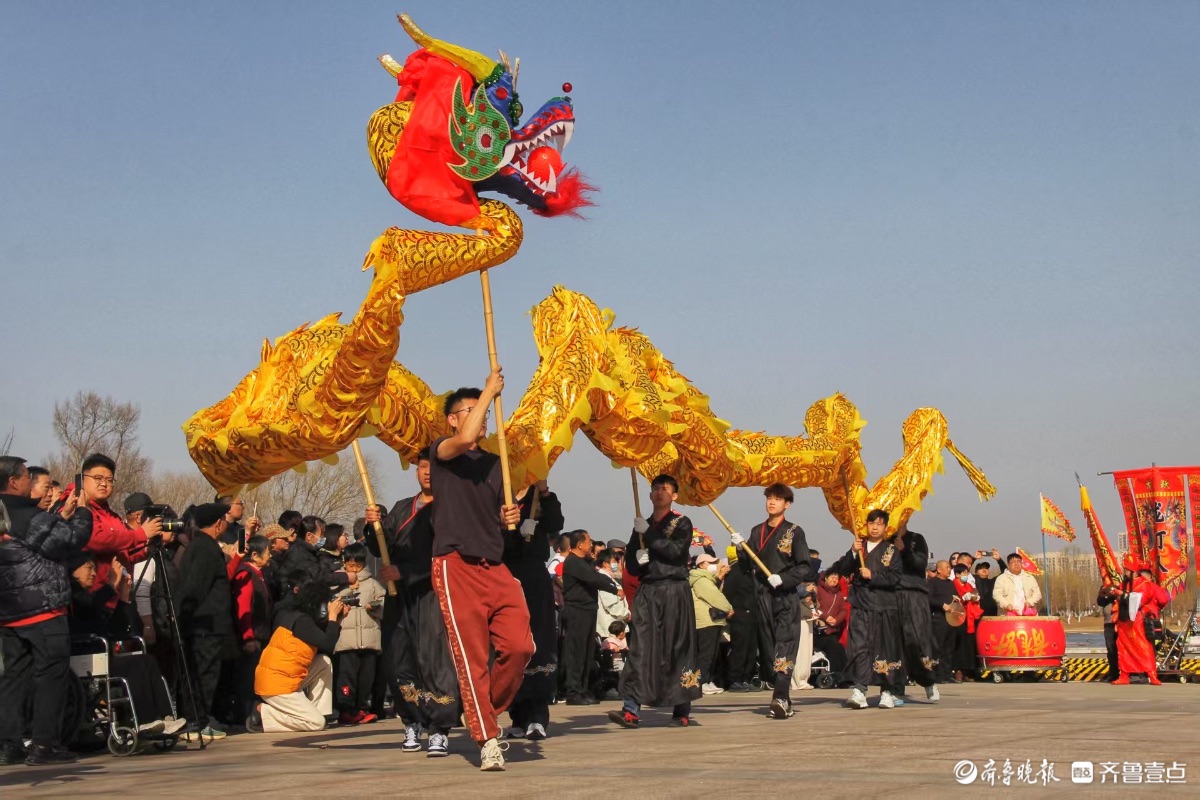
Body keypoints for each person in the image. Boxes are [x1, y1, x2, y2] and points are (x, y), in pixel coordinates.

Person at [429, 375, 533, 771]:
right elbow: (467, 440)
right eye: (471, 411)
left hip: (495, 566)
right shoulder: (442, 452)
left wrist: (507, 515)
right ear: (452, 421)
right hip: (456, 564)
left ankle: (482, 710)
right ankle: (487, 737)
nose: (482, 417)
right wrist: (488, 392)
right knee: (471, 657)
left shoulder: (496, 464)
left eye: (483, 411)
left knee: (521, 645)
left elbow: (492, 513)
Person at [365, 446, 460, 757]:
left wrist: (405, 571)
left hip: (433, 593)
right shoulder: (402, 507)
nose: (427, 472)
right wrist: (372, 526)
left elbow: (449, 556)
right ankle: (411, 721)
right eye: (422, 467)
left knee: (435, 660)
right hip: (399, 597)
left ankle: (439, 729)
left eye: (432, 467)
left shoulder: (450, 509)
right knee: (398, 659)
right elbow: (382, 548)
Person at [0, 455, 91, 765]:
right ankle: (44, 745)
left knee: (14, 677)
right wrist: (82, 512)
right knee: (51, 676)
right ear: (13, 482)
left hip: (9, 612)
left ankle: (8, 744)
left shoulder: (6, 516)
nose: (30, 481)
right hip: (42, 608)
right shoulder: (26, 514)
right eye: (26, 476)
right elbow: (68, 540)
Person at [609, 474, 702, 729]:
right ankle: (630, 709)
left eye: (665, 488)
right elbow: (631, 564)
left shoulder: (682, 522)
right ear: (649, 495)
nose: (659, 492)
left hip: (674, 590)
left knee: (677, 647)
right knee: (640, 648)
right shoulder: (641, 525)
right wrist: (637, 557)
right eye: (655, 488)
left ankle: (682, 709)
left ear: (674, 495)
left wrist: (648, 534)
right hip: (648, 592)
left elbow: (676, 553)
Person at [66, 551, 188, 737]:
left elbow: (115, 628)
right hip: (85, 659)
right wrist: (110, 585)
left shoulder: (91, 597)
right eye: (88, 568)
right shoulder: (72, 595)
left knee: (147, 660)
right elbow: (90, 607)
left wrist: (123, 599)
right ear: (74, 571)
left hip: (102, 655)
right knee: (136, 665)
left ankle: (165, 717)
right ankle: (145, 721)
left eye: (94, 568)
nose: (93, 573)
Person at [729, 484, 813, 720]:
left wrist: (784, 579)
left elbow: (805, 565)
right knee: (768, 648)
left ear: (787, 504)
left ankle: (781, 698)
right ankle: (781, 694)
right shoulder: (757, 531)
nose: (772, 502)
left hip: (784, 596)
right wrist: (740, 548)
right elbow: (747, 565)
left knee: (785, 644)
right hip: (762, 596)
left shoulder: (795, 532)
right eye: (769, 498)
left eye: (778, 499)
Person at [505, 479, 565, 739]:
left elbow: (556, 524)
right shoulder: (499, 492)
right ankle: (517, 714)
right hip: (505, 573)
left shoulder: (539, 496)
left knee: (538, 641)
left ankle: (538, 715)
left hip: (533, 574)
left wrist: (544, 492)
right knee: (509, 643)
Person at [249, 582, 349, 732]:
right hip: (277, 685)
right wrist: (333, 617)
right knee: (316, 723)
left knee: (324, 662)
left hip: (287, 677)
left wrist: (338, 620)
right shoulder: (301, 622)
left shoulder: (300, 617)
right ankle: (262, 714)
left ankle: (318, 711)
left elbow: (324, 640)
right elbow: (328, 644)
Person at [174, 502, 237, 741]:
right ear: (218, 523)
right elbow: (195, 587)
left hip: (206, 624)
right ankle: (196, 722)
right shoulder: (205, 548)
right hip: (204, 624)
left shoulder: (200, 545)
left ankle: (199, 719)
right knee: (203, 674)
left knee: (206, 673)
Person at [830, 509, 904, 709]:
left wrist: (874, 575)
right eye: (871, 523)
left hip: (884, 606)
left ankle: (887, 691)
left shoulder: (891, 551)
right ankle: (860, 689)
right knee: (859, 647)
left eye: (879, 524)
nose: (874, 527)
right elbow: (842, 569)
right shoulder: (859, 547)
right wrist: (853, 553)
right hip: (861, 605)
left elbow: (896, 578)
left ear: (885, 527)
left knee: (884, 647)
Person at [72, 454, 161, 607]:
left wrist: (148, 548)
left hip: (115, 597)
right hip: (90, 598)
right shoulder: (76, 506)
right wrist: (141, 533)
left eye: (109, 480)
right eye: (98, 478)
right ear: (82, 479)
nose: (104, 484)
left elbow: (122, 554)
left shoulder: (111, 515)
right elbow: (97, 540)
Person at [560, 529, 620, 705]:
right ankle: (573, 691)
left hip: (587, 610)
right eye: (588, 541)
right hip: (576, 611)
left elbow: (596, 574)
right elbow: (594, 579)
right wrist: (615, 589)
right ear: (579, 544)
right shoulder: (573, 562)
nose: (590, 544)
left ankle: (583, 688)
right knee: (576, 652)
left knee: (587, 652)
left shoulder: (584, 562)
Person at [333, 543, 386, 724]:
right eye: (350, 565)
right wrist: (348, 587)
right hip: (346, 641)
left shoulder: (372, 583)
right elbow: (331, 603)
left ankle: (362, 708)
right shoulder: (338, 581)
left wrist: (376, 607)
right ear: (344, 563)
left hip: (369, 640)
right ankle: (346, 709)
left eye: (357, 566)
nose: (354, 569)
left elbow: (384, 601)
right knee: (347, 677)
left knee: (366, 678)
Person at [890, 521, 940, 704]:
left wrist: (904, 550)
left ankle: (928, 680)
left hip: (914, 594)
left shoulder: (916, 539)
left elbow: (920, 564)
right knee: (894, 642)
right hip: (892, 594)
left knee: (917, 639)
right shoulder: (885, 540)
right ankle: (896, 688)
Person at [231, 535, 274, 723]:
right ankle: (244, 716)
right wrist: (248, 637)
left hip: (261, 633)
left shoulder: (260, 574)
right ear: (255, 555)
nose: (270, 555)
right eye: (268, 551)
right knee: (247, 678)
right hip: (251, 636)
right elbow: (244, 607)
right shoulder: (246, 574)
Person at [1111, 555, 1168, 685]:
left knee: (1144, 648)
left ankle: (1152, 674)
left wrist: (1122, 595)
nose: (1124, 572)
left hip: (1138, 622)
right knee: (1123, 648)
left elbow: (1140, 600)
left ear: (1134, 571)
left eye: (1126, 570)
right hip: (1124, 622)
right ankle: (1124, 675)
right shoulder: (1123, 584)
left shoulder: (1145, 584)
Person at [721, 545, 770, 692]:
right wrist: (731, 611)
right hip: (740, 615)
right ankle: (735, 679)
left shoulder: (752, 572)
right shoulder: (736, 572)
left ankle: (746, 678)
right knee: (740, 649)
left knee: (751, 650)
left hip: (753, 616)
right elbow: (727, 594)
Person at [689, 552, 733, 695]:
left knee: (710, 653)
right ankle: (702, 682)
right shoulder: (701, 580)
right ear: (701, 564)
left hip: (710, 620)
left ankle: (705, 680)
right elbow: (715, 597)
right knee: (706, 653)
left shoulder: (707, 579)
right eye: (710, 562)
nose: (714, 565)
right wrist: (728, 608)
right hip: (705, 621)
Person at [927, 560, 959, 684]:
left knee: (949, 647)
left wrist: (956, 599)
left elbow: (954, 596)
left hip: (951, 618)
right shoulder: (932, 582)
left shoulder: (950, 583)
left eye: (949, 567)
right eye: (946, 567)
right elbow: (928, 599)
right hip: (938, 618)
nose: (949, 569)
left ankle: (947, 673)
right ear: (939, 570)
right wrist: (941, 605)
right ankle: (937, 675)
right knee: (938, 647)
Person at [813, 569, 848, 676]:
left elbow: (843, 610)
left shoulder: (839, 594)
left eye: (836, 578)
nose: (834, 580)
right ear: (826, 578)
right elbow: (814, 606)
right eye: (832, 577)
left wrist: (836, 620)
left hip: (833, 630)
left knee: (841, 648)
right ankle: (835, 674)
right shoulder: (818, 590)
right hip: (818, 631)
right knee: (834, 647)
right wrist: (826, 617)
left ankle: (844, 675)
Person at [952, 563, 983, 681]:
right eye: (963, 573)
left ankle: (968, 671)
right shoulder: (953, 584)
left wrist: (975, 598)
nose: (965, 575)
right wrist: (962, 599)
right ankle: (958, 670)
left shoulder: (969, 585)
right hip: (959, 617)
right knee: (960, 645)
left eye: (967, 573)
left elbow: (975, 595)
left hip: (970, 617)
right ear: (957, 574)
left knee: (969, 644)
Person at [1096, 584, 1120, 682]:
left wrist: (1114, 592)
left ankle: (1123, 672)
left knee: (1120, 650)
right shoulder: (1104, 595)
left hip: (1119, 624)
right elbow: (1100, 600)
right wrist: (1106, 593)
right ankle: (1113, 673)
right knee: (1111, 651)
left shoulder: (1117, 591)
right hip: (1108, 624)